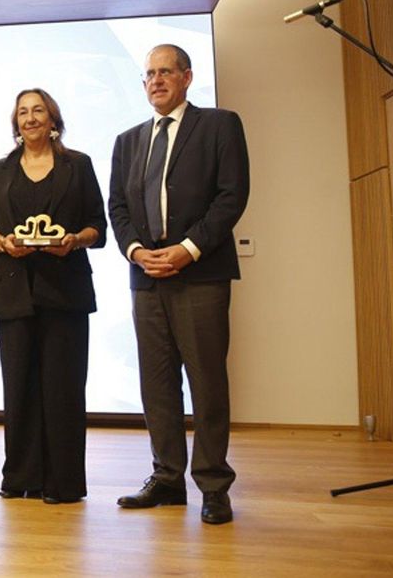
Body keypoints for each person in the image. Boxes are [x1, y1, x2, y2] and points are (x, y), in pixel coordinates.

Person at [108, 44, 249, 525]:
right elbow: (118, 210)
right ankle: (167, 478)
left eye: (166, 72)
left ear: (187, 77)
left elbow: (232, 197)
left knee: (206, 381)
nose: (156, 81)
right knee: (157, 384)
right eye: (149, 74)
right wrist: (136, 251)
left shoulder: (219, 125)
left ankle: (213, 484)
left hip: (200, 273)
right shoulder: (127, 141)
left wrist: (186, 249)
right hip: (146, 277)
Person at [0, 88, 106, 503]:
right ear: (15, 122)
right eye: (23, 112)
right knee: (19, 389)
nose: (30, 118)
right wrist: (2, 244)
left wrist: (73, 240)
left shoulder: (78, 165)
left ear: (53, 118)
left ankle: (63, 483)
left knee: (64, 389)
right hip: (13, 288)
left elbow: (97, 227)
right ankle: (21, 477)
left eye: (38, 111)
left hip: (65, 289)